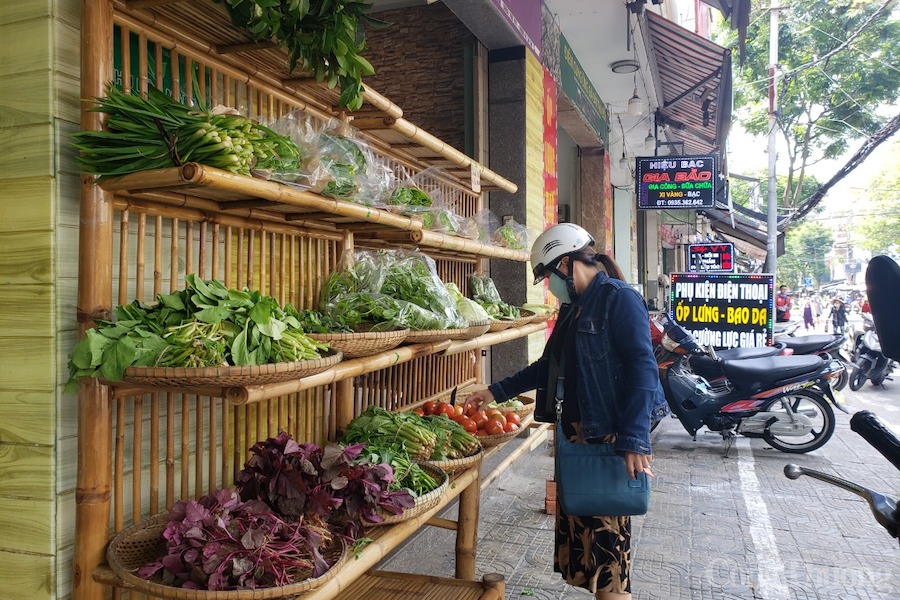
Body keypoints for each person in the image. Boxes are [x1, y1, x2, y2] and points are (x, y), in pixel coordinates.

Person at [463, 223, 663, 600]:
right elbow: (547, 366)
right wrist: (495, 390)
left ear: (568, 263)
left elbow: (644, 369)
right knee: (587, 551)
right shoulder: (575, 309)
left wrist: (635, 440)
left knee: (608, 558)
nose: (548, 286)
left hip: (607, 442)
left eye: (549, 276)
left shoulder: (618, 299)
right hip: (576, 442)